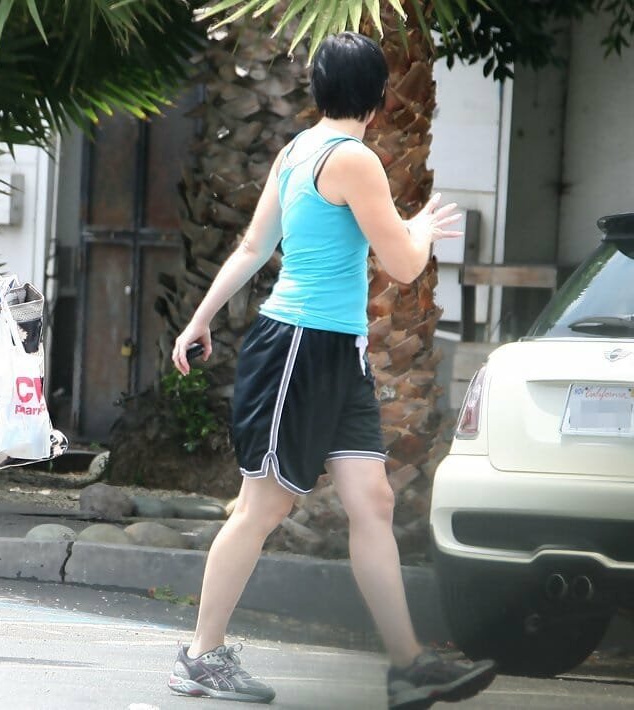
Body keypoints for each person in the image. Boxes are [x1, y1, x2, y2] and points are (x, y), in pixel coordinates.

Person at [166, 32, 497, 707]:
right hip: (299, 347)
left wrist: (200, 318)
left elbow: (254, 246)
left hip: (338, 353)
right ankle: (201, 655)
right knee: (262, 505)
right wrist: (423, 230)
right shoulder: (352, 158)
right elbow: (403, 263)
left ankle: (407, 664)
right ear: (379, 96)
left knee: (372, 501)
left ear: (320, 89)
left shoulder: (298, 149)